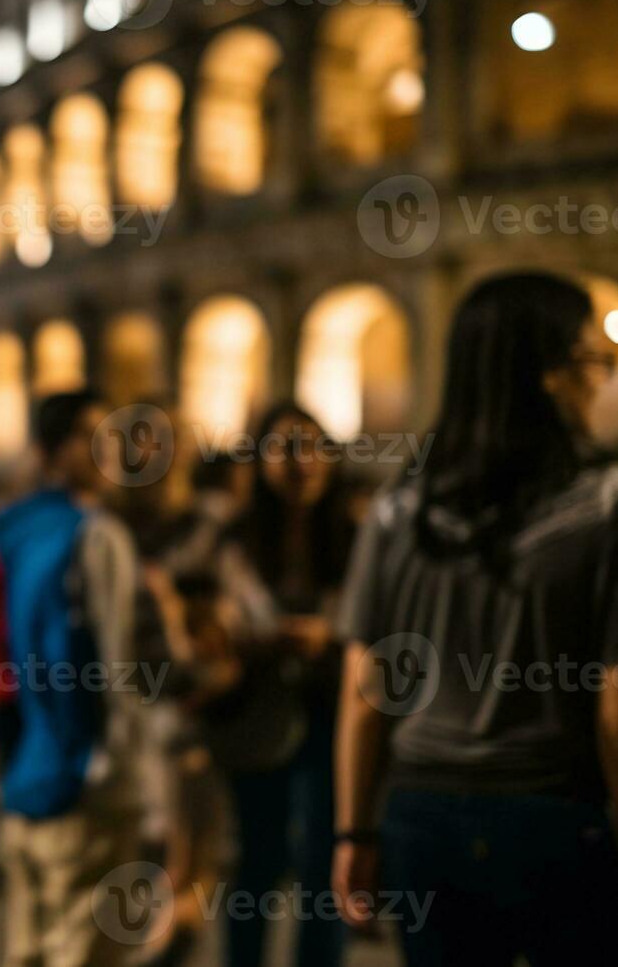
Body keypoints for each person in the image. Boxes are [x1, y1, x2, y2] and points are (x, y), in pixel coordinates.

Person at [332, 272, 618, 965]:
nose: (600, 379)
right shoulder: (615, 508)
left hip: (421, 815)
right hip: (557, 817)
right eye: (591, 359)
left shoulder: (399, 509)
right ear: (549, 374)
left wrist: (353, 835)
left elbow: (366, 695)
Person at [0, 389, 148, 967]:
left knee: (29, 951)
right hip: (88, 777)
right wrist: (135, 780)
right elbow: (119, 666)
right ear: (57, 450)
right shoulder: (97, 536)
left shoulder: (20, 530)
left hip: (31, 768)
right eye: (95, 436)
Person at [214, 402, 357, 967]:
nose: (301, 462)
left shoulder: (355, 534)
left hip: (333, 714)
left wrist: (331, 640)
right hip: (257, 716)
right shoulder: (235, 537)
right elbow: (206, 618)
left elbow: (384, 629)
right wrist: (244, 639)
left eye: (313, 446)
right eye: (284, 448)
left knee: (325, 862)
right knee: (256, 859)